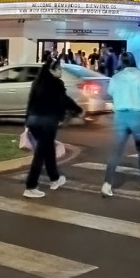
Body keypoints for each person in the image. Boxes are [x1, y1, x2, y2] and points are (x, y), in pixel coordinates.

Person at [101, 52, 140, 197]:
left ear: (121, 62)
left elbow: (110, 92)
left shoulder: (116, 77)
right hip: (137, 116)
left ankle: (107, 184)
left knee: (116, 151)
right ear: (134, 61)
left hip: (121, 116)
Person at [23, 58, 82, 198]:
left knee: (48, 150)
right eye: (59, 69)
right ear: (51, 70)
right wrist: (77, 110)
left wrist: (27, 121)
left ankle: (55, 178)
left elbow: (30, 102)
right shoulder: (55, 84)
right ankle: (30, 186)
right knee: (41, 154)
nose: (61, 71)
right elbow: (64, 100)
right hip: (47, 123)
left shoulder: (37, 83)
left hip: (34, 121)